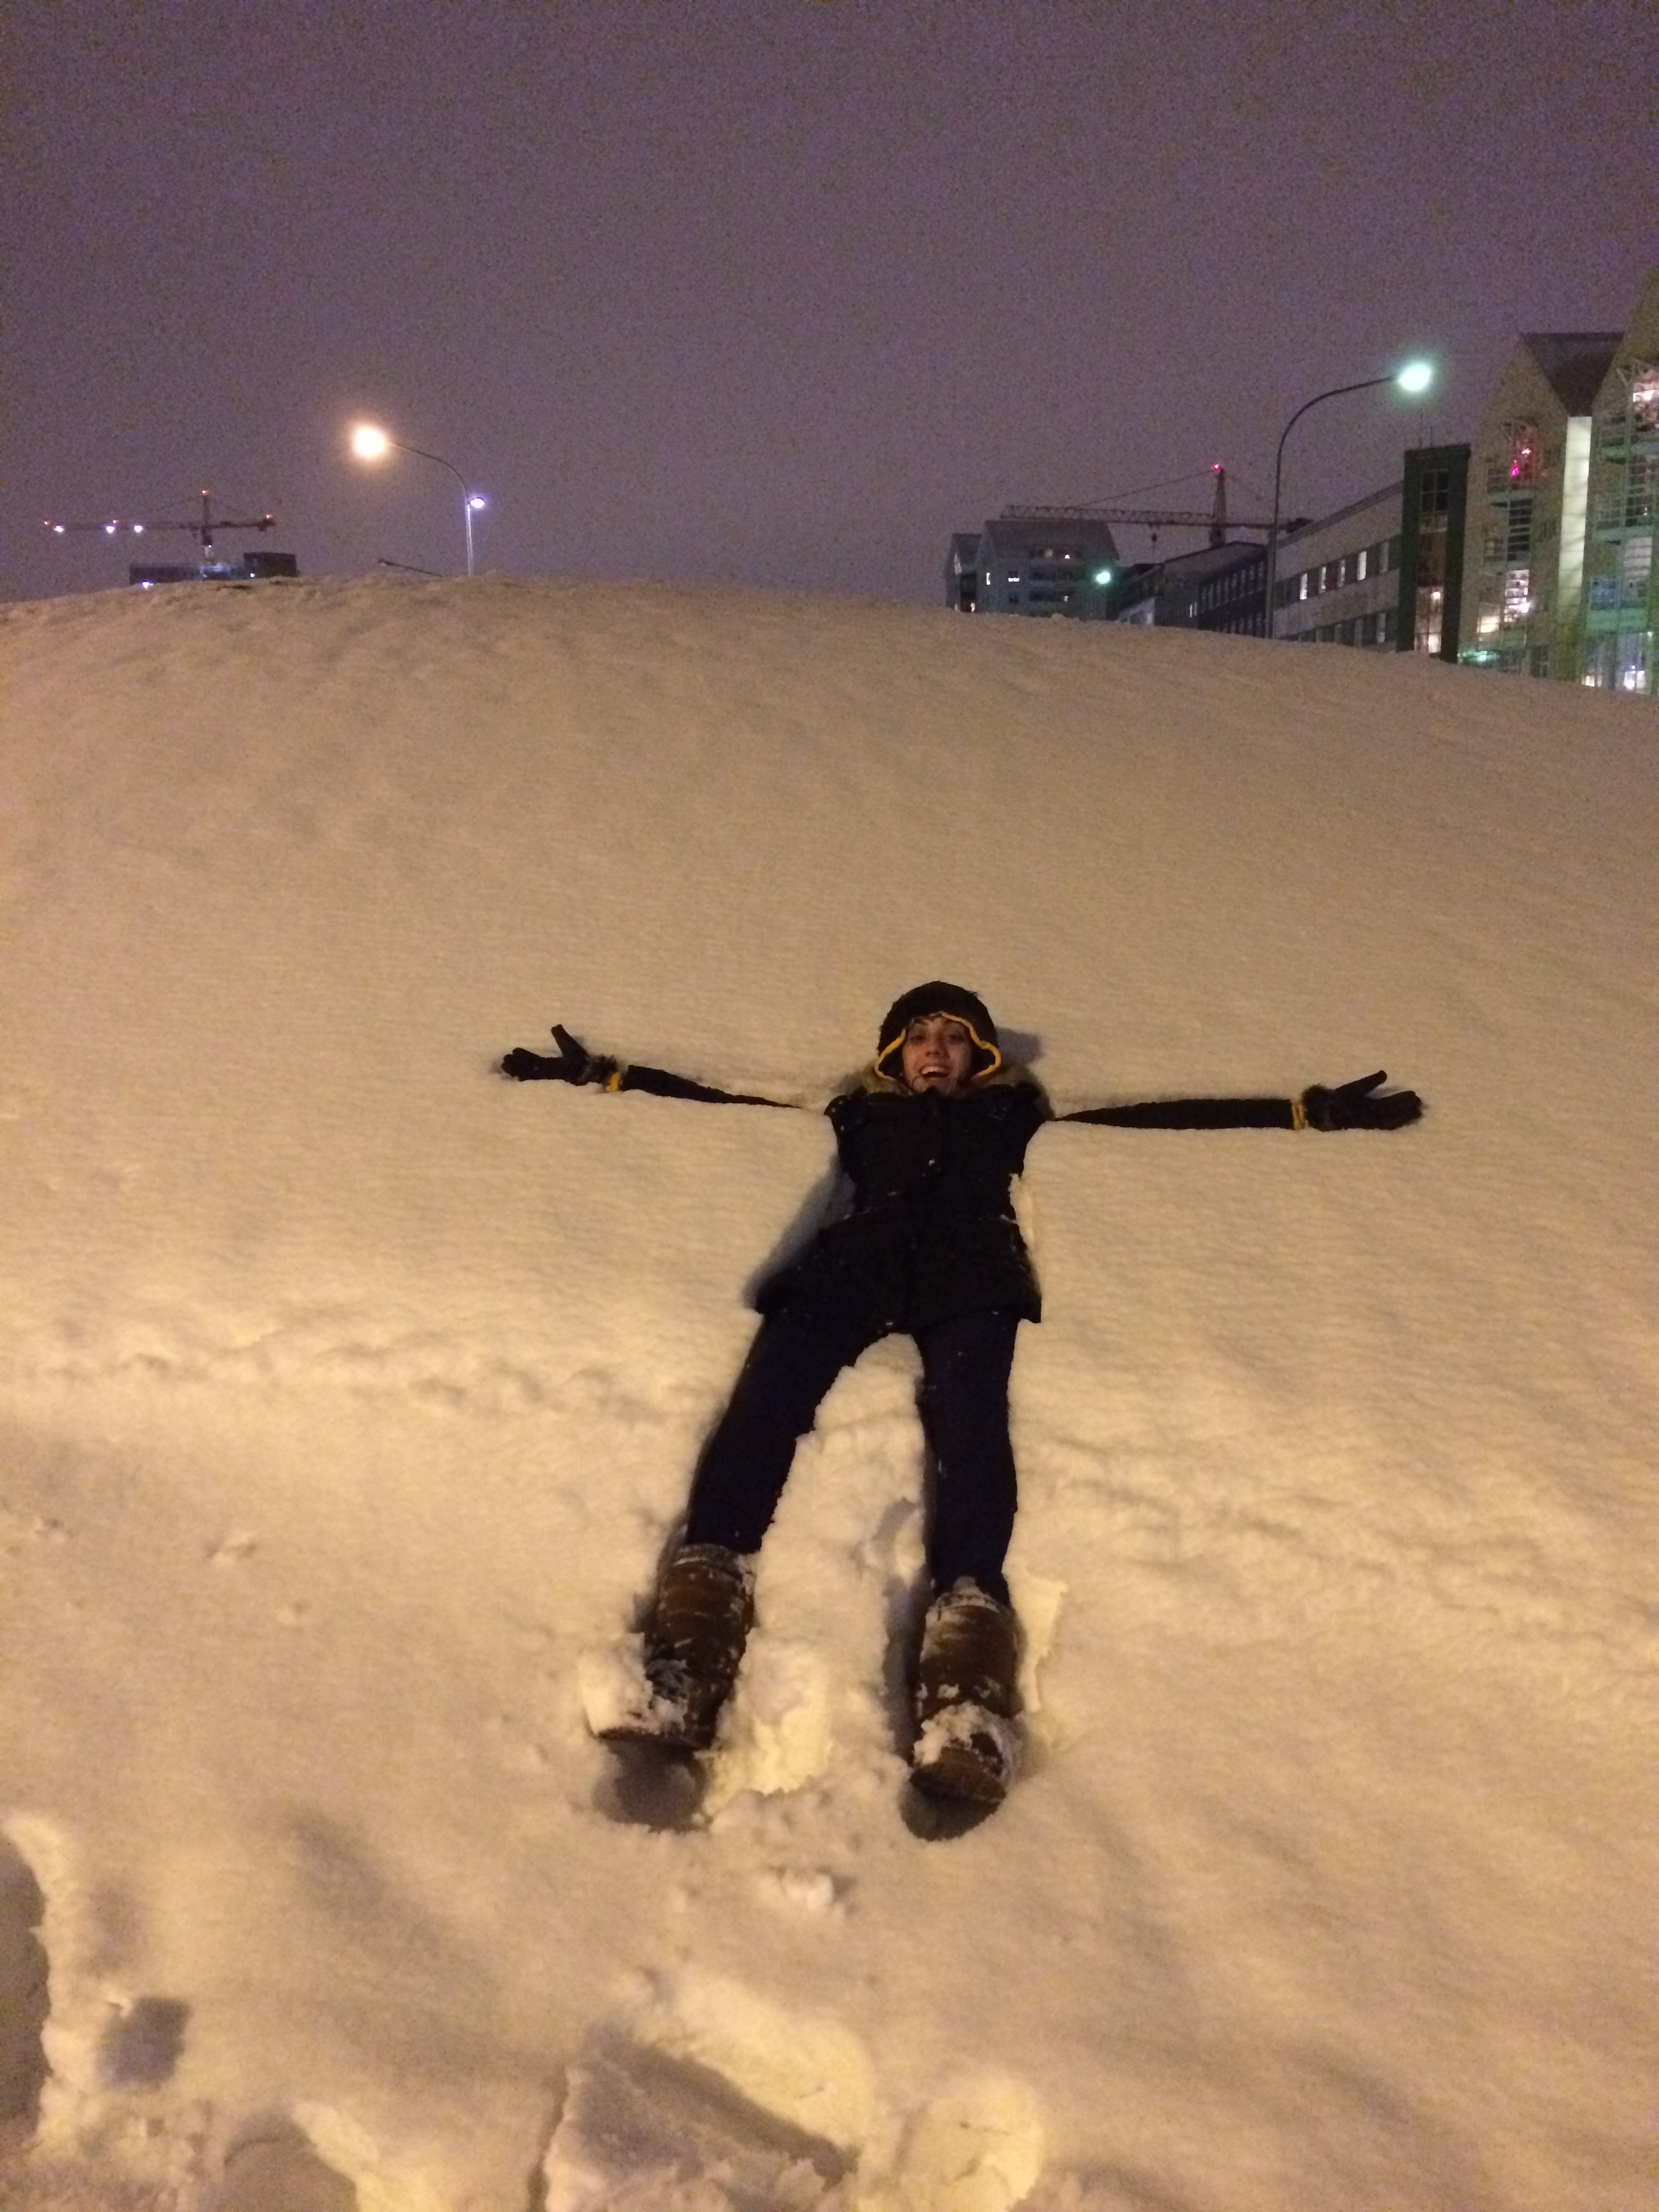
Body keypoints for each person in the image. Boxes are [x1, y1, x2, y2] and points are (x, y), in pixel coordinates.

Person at [501, 983, 1421, 1805]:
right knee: (764, 1408)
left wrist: (1303, 1112)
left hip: (971, 1277)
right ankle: (688, 1653)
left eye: (952, 1037)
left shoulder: (1012, 1113)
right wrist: (605, 1075)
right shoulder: (857, 1110)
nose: (934, 1050)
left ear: (979, 1055)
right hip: (852, 1267)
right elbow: (722, 1099)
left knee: (972, 1434)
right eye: (918, 1037)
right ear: (893, 1054)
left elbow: (1159, 1114)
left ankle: (968, 1692)